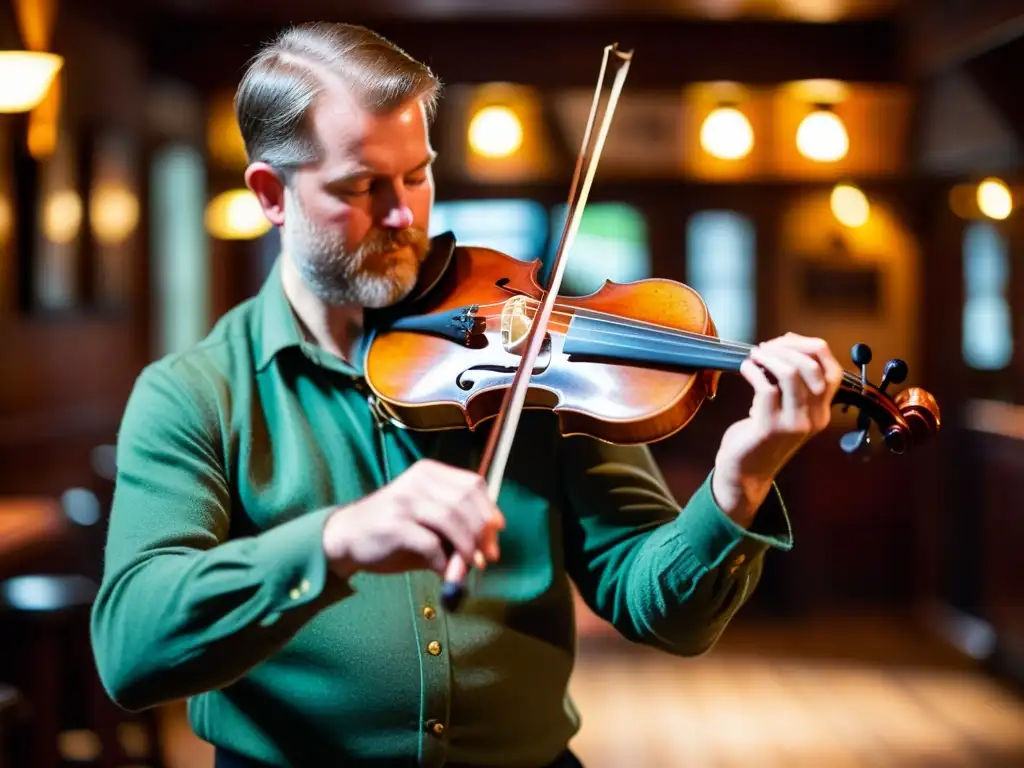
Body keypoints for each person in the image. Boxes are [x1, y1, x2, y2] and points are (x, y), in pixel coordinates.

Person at [89, 21, 843, 768]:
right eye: (361, 186)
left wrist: (739, 484)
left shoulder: (530, 350)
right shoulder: (193, 394)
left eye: (417, 175)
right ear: (271, 193)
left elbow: (666, 615)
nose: (403, 216)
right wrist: (335, 542)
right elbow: (133, 650)